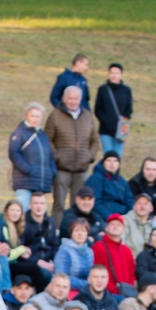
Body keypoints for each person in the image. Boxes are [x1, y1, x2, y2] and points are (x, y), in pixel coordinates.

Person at [45, 85, 96, 223]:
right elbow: (47, 139)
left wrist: (90, 156)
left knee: (79, 206)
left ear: (80, 99)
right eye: (70, 98)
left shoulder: (88, 116)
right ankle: (57, 231)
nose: (73, 101)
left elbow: (95, 140)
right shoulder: (55, 116)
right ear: (64, 99)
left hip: (81, 170)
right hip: (61, 169)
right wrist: (57, 156)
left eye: (76, 98)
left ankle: (77, 232)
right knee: (59, 204)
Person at [7, 103, 55, 209]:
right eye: (32, 116)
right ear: (26, 116)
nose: (35, 119)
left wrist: (52, 172)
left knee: (37, 213)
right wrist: (27, 169)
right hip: (24, 182)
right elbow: (13, 153)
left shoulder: (43, 136)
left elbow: (50, 156)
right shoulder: (19, 133)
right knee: (23, 210)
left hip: (40, 183)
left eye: (38, 116)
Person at [93, 62, 132, 158]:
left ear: (121, 75)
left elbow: (129, 109)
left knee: (117, 156)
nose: (114, 75)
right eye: (112, 73)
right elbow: (98, 109)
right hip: (105, 130)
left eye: (117, 73)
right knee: (108, 156)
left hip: (121, 129)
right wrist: (105, 121)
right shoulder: (102, 89)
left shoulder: (126, 90)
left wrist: (123, 121)